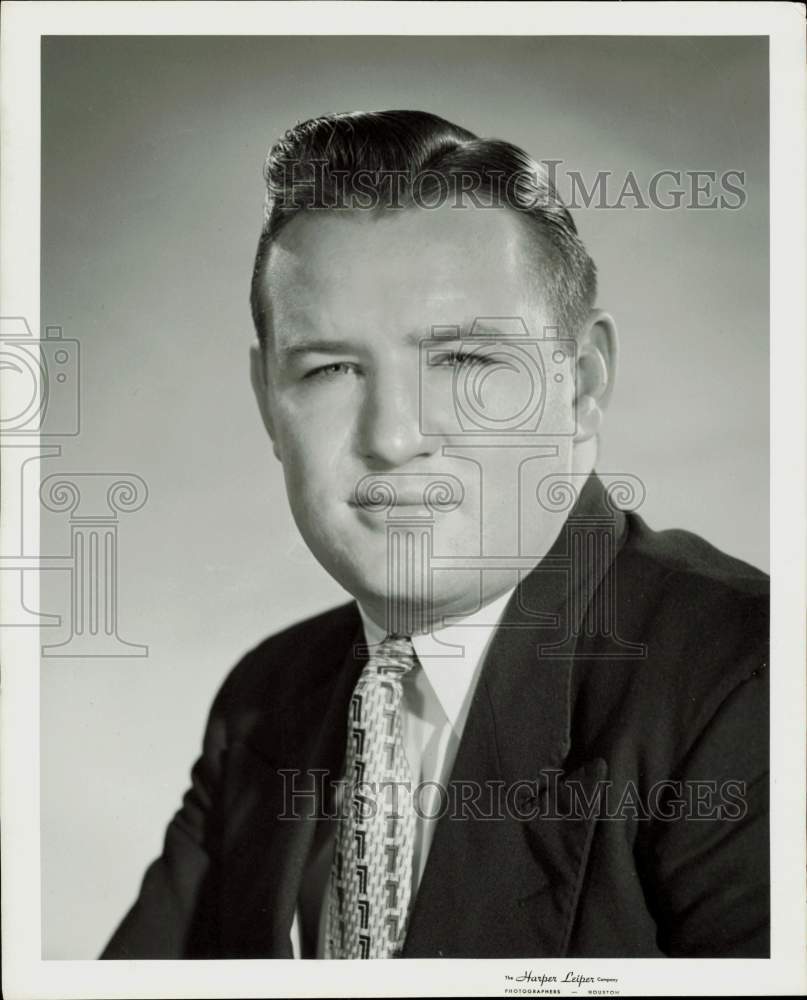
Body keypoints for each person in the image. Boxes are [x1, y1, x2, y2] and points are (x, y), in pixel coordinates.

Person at [100, 110, 769, 960]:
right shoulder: (265, 700)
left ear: (582, 385)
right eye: (330, 369)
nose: (392, 435)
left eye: (459, 360)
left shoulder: (753, 682)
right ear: (269, 402)